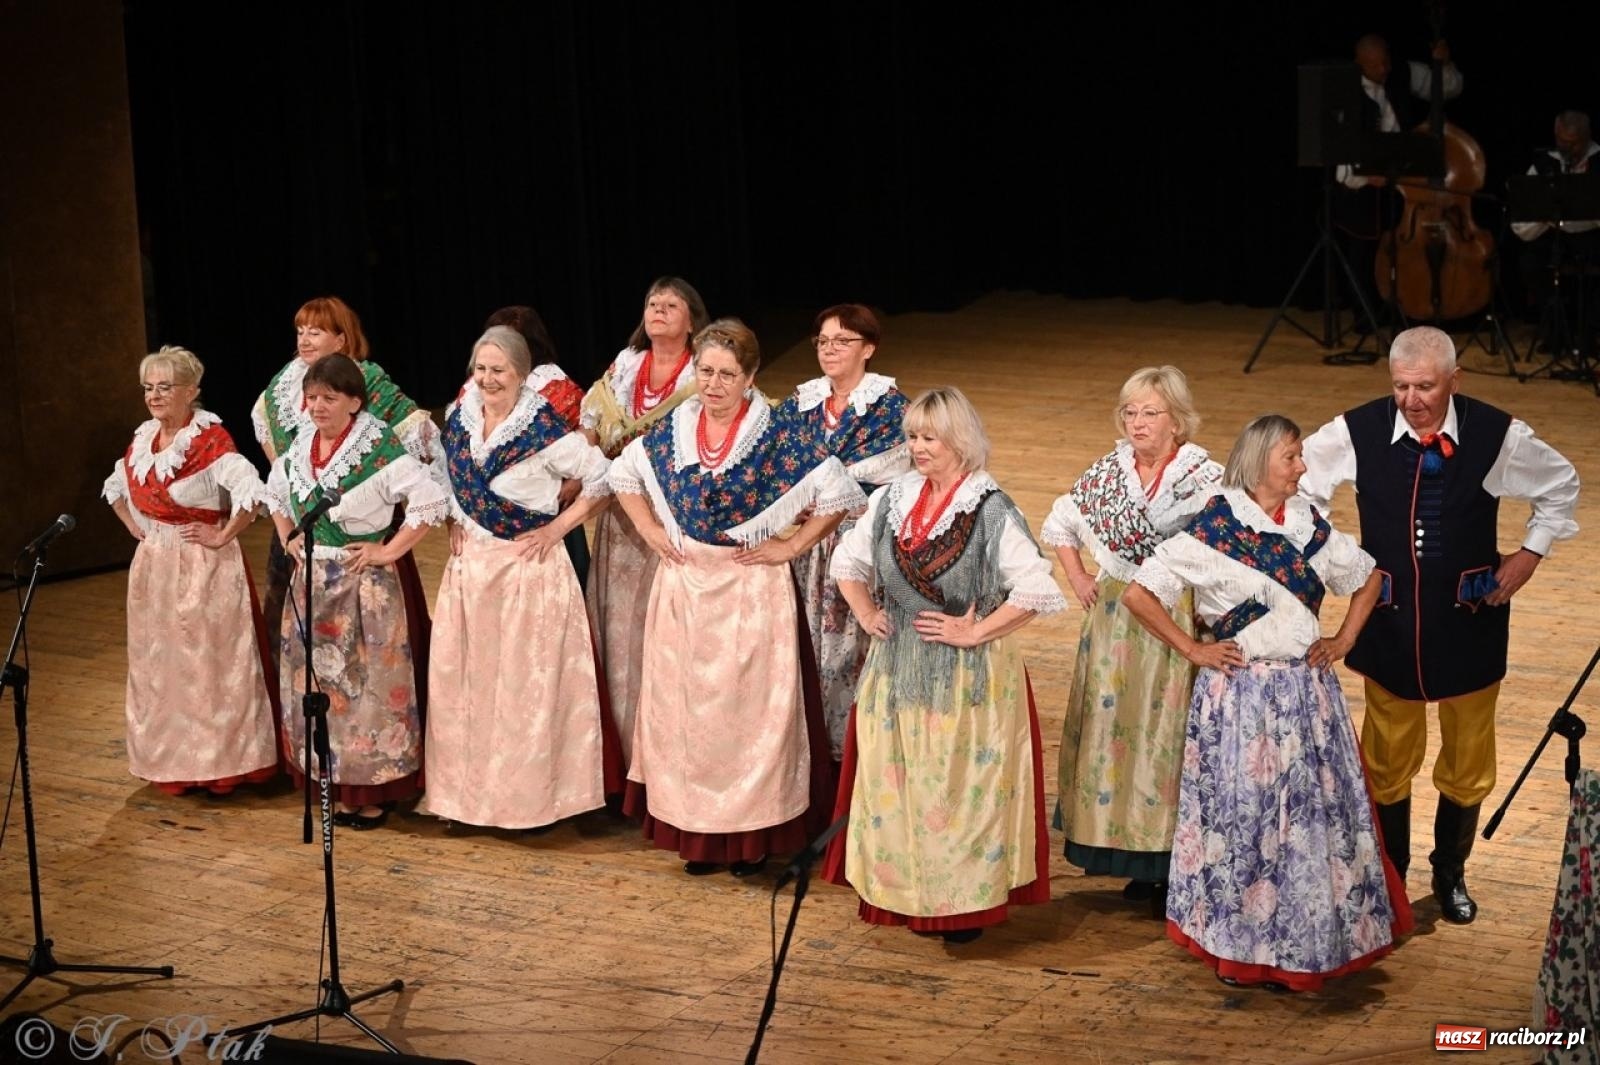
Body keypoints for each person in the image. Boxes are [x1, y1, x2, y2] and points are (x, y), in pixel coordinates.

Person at [1300, 326, 1580, 924]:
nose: (1412, 398)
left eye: (1425, 386)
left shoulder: (1495, 433)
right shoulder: (1356, 429)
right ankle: (1392, 876)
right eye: (1401, 385)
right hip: (1389, 625)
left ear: (1455, 380)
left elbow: (1561, 485)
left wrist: (1529, 554)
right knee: (1386, 754)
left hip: (1470, 624)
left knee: (1469, 757)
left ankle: (1451, 873)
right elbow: (1300, 490)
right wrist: (1334, 554)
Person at [1122, 414, 1410, 991]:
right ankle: (1241, 949)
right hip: (1239, 698)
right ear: (1259, 465)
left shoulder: (1307, 524)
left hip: (1306, 696)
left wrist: (1344, 639)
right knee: (1244, 821)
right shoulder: (1215, 526)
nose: (1302, 466)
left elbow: (1369, 577)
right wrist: (1191, 650)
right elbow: (1138, 592)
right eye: (1291, 457)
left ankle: (1306, 943)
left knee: (1305, 824)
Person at [607, 318, 864, 876]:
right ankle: (699, 835)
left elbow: (837, 488)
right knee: (687, 719)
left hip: (750, 589)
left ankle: (752, 838)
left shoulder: (773, 434)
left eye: (727, 374)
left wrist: (794, 543)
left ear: (750, 378)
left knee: (749, 721)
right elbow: (624, 474)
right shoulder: (677, 428)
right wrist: (652, 533)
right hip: (685, 590)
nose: (714, 384)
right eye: (705, 371)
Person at [822, 387, 1065, 944]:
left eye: (929, 437)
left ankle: (960, 905)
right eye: (912, 437)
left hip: (966, 679)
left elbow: (1036, 588)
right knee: (902, 785)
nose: (918, 447)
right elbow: (849, 560)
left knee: (954, 792)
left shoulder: (990, 507)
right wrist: (866, 612)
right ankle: (909, 893)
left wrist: (977, 629)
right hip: (898, 667)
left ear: (960, 440)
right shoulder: (892, 498)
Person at [1042, 367, 1222, 916]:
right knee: (1114, 731)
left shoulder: (1204, 477)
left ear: (1178, 420)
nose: (1138, 423)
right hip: (1116, 620)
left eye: (1150, 413)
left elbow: (1226, 548)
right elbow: (1060, 523)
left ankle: (1170, 859)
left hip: (1174, 615)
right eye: (1130, 412)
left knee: (1166, 735)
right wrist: (1076, 576)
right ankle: (1122, 850)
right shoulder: (1108, 474)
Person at [426, 327, 620, 830]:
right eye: (481, 369)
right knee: (469, 688)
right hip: (471, 572)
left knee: (524, 691)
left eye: (499, 370)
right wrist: (454, 519)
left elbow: (606, 479)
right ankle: (466, 802)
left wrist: (558, 527)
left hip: (527, 572)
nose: (488, 379)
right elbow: (446, 477)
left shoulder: (545, 431)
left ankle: (531, 804)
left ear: (521, 375)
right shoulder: (460, 420)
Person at [264, 354, 450, 829]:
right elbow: (275, 495)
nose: (318, 407)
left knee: (367, 688)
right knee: (321, 687)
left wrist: (387, 550)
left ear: (354, 402)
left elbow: (429, 500)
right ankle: (334, 783)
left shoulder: (379, 449)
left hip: (362, 587)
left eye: (329, 398)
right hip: (311, 586)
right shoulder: (303, 445)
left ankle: (372, 790)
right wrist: (289, 537)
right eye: (311, 398)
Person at [102, 346, 278, 796]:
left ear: (191, 391)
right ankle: (171, 763)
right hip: (155, 568)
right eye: (148, 388)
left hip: (202, 566)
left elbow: (252, 494)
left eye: (165, 387)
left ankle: (220, 765)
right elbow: (117, 488)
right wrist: (139, 530)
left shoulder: (209, 441)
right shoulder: (144, 439)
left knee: (208, 665)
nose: (155, 396)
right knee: (160, 666)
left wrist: (222, 535)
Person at [253, 296, 437, 677]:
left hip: (358, 531)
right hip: (303, 524)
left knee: (364, 655)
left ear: (341, 338)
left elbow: (422, 439)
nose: (304, 339)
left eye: (315, 331)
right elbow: (265, 431)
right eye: (300, 331)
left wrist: (372, 479)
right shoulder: (284, 384)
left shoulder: (367, 381)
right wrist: (291, 479)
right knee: (298, 643)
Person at [580, 277, 709, 775]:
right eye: (652, 303)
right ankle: (621, 750)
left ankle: (663, 752)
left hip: (673, 515)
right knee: (618, 623)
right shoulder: (626, 365)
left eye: (671, 304)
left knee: (662, 625)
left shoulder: (702, 373)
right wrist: (586, 462)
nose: (658, 310)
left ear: (692, 320)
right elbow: (591, 421)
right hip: (620, 513)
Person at [781, 303, 909, 772]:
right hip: (805, 548)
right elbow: (776, 467)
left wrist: (837, 503)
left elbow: (902, 482)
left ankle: (853, 761)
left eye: (843, 341)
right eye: (823, 341)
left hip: (857, 549)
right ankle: (809, 763)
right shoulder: (801, 403)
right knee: (805, 650)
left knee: (849, 652)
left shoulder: (891, 408)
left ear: (868, 349)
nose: (830, 350)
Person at [1334, 34, 1464, 332]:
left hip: (1405, 185)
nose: (1384, 69)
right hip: (1363, 187)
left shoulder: (1403, 72)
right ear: (1359, 64)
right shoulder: (1344, 90)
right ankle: (1366, 313)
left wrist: (1443, 64)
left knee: (1406, 249)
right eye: (1376, 65)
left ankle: (1408, 307)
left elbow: (1448, 88)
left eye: (1386, 61)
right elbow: (1339, 152)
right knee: (1363, 253)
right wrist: (1367, 175)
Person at [481, 305, 593, 583]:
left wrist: (575, 481)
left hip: (544, 509)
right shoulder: (484, 382)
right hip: (491, 514)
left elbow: (589, 431)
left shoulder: (556, 386)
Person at [1511, 112, 1600, 340]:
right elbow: (1521, 223)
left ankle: (1588, 332)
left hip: (1591, 236)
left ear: (1587, 137)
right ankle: (1555, 330)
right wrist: (1544, 216)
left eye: (1574, 143)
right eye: (1562, 141)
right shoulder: (1542, 165)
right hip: (1553, 237)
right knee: (1531, 262)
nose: (1567, 148)